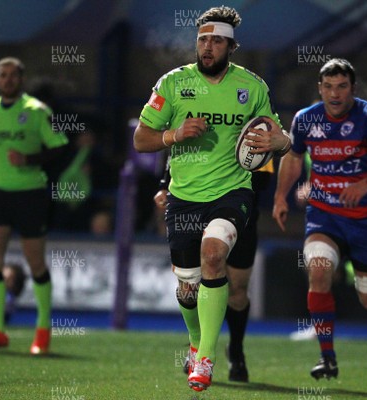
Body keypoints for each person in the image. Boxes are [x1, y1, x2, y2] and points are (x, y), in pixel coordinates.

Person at [134, 5, 290, 391]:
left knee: (213, 255)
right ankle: (194, 341)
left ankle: (206, 358)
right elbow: (141, 140)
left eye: (216, 40)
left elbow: (278, 137)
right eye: (202, 40)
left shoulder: (252, 88)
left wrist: (281, 141)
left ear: (231, 46)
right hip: (184, 198)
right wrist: (174, 135)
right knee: (188, 288)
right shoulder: (171, 84)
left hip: (232, 192)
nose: (207, 47)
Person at [273, 58, 367, 380]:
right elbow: (292, 157)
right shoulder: (306, 119)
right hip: (325, 214)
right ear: (320, 88)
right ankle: (327, 358)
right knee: (318, 273)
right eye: (328, 87)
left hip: (366, 220)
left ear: (353, 89)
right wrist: (280, 196)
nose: (335, 94)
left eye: (342, 86)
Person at [0, 57, 68, 354]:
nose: (8, 80)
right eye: (2, 75)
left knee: (35, 263)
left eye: (13, 75)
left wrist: (29, 160)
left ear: (21, 80)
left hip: (30, 194)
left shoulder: (36, 111)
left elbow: (59, 146)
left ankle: (43, 329)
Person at [154, 155, 274, 382]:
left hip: (238, 211)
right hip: (193, 208)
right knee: (190, 286)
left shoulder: (249, 123)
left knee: (237, 292)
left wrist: (229, 169)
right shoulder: (194, 122)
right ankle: (199, 346)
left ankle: (235, 350)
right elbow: (175, 152)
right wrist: (164, 183)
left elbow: (264, 179)